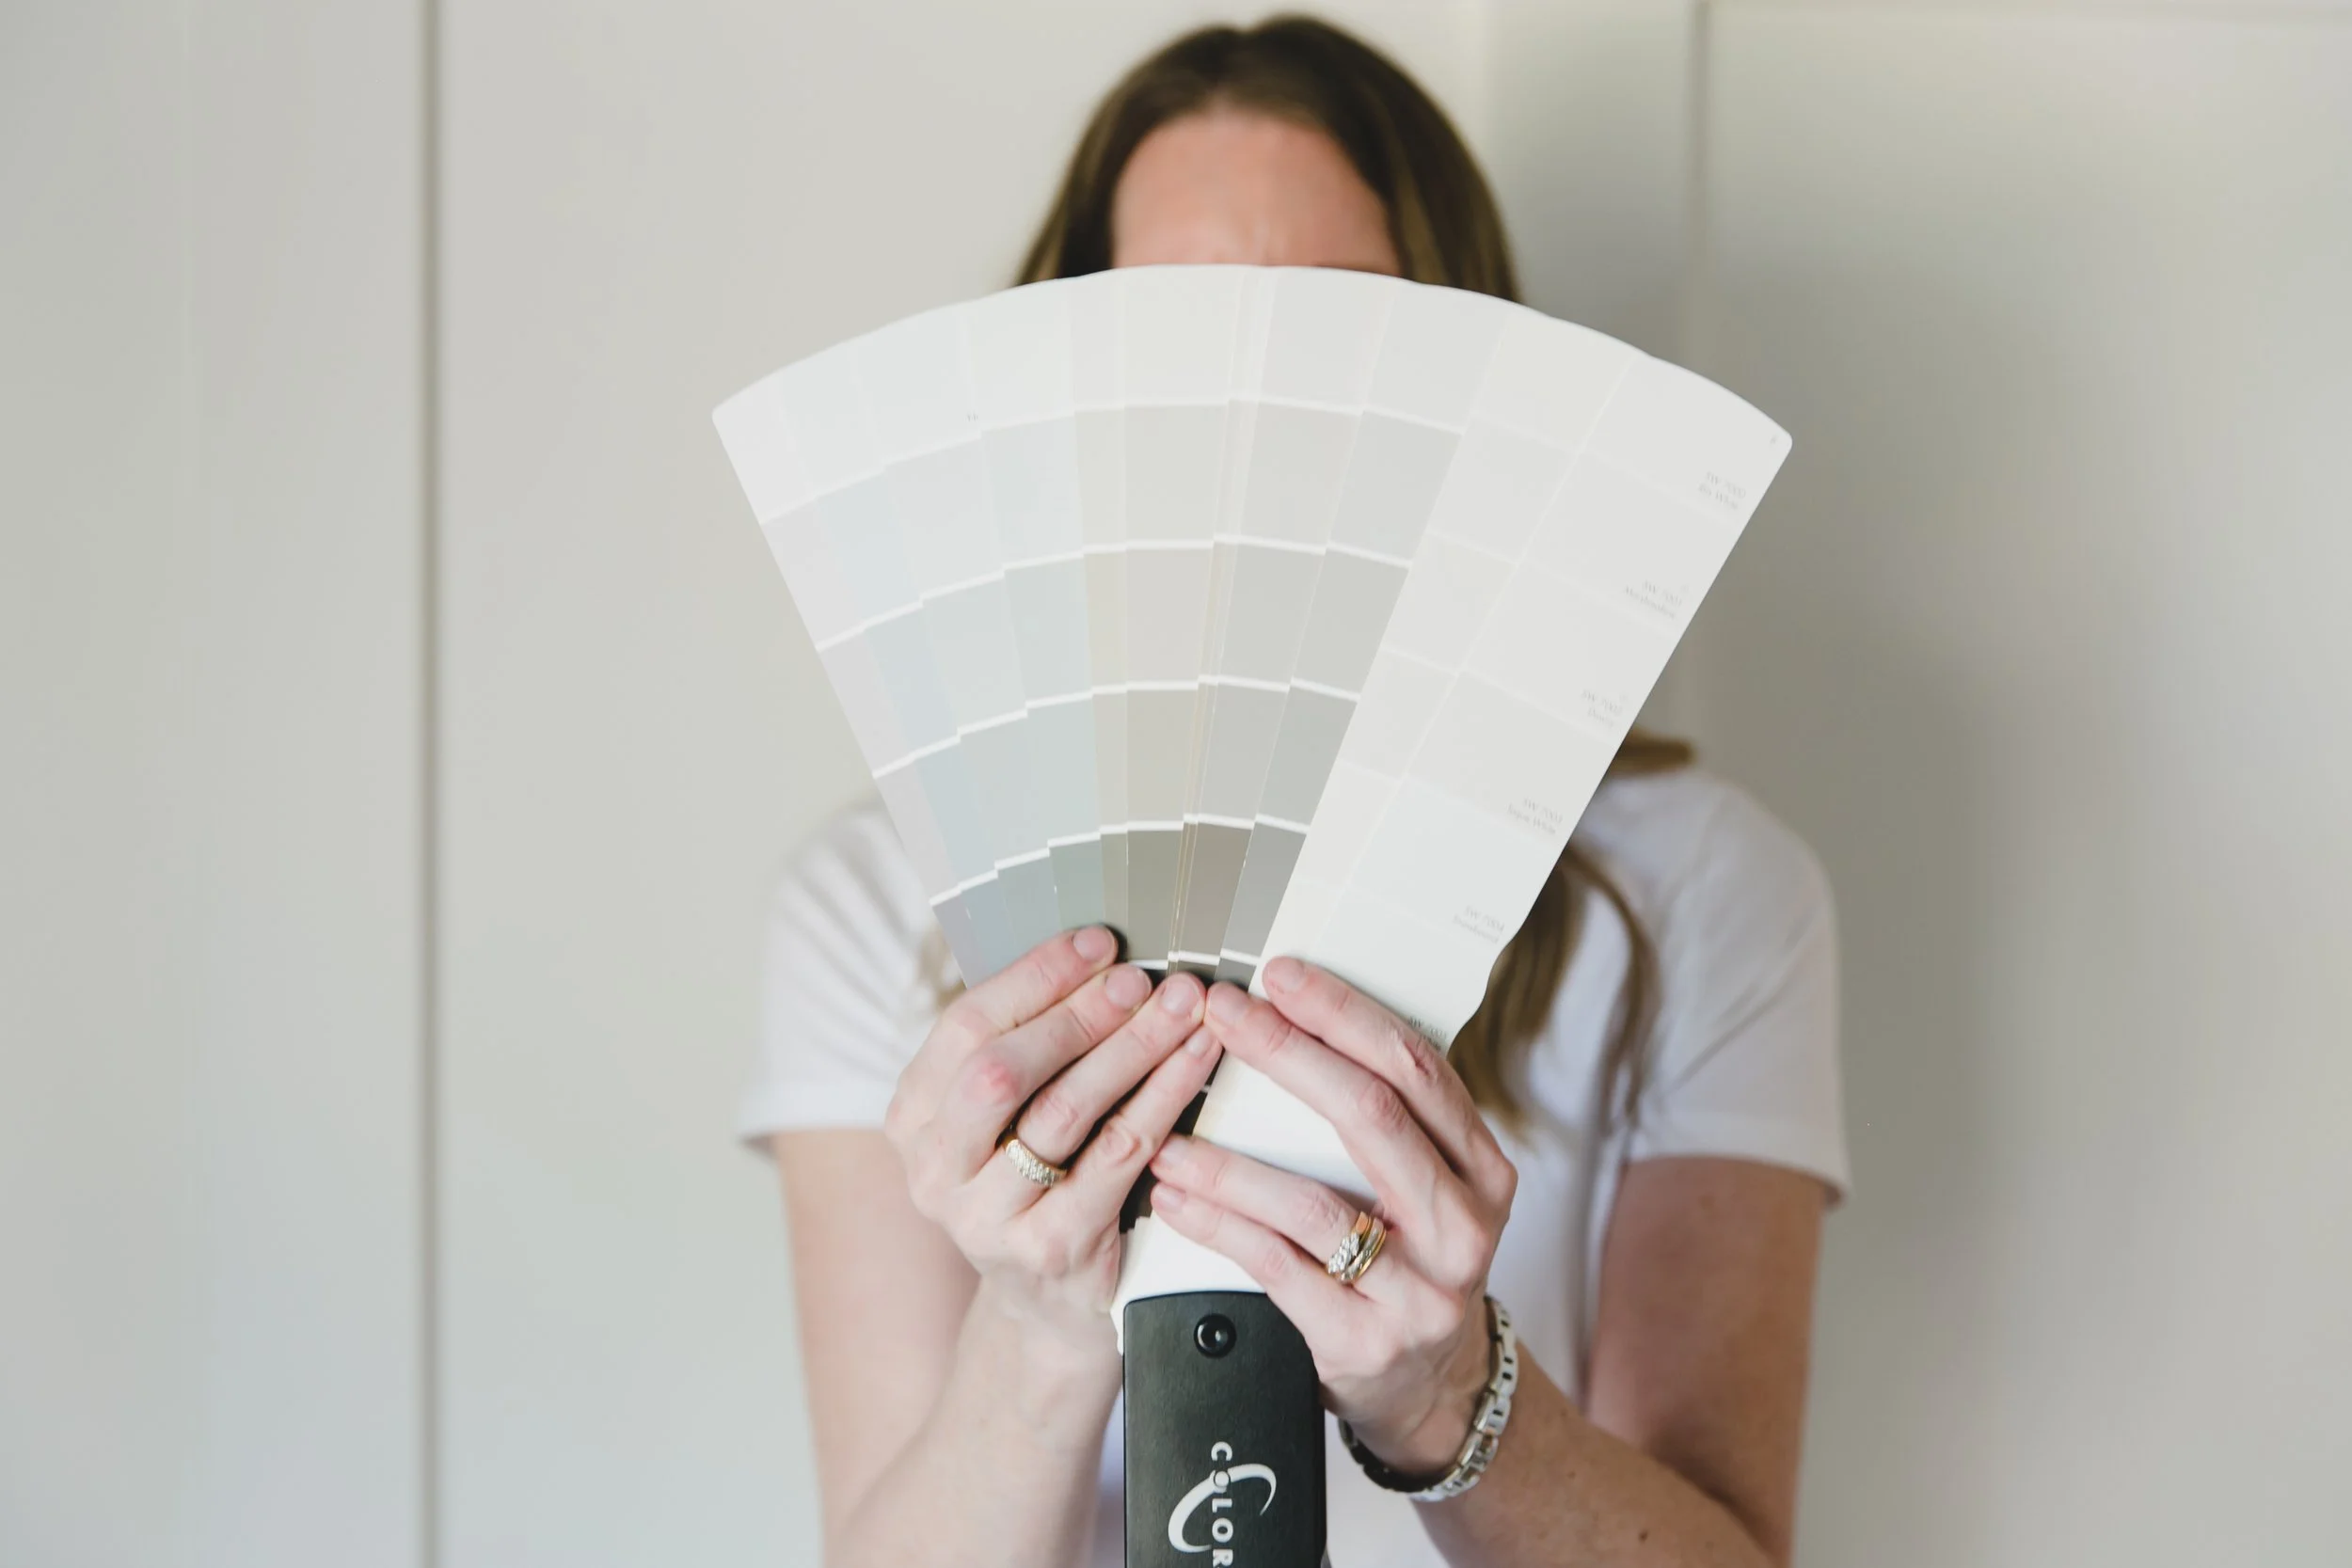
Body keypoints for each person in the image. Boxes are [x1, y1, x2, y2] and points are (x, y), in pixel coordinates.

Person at [749, 18, 1846, 1568]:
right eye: (1178, 343)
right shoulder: (870, 911)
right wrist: (1045, 1329)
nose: (1253, 420)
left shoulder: (1700, 891)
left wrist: (1443, 1393)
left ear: (1466, 387)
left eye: (1337, 341)